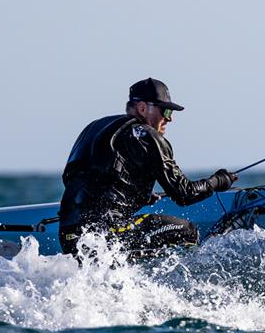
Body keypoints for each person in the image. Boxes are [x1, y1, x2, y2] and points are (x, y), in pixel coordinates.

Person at [58, 78, 237, 257]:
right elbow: (184, 193)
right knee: (188, 231)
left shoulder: (96, 127)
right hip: (108, 235)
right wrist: (219, 180)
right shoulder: (148, 136)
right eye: (165, 110)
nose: (170, 118)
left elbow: (77, 178)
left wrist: (137, 195)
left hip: (69, 235)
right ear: (143, 108)